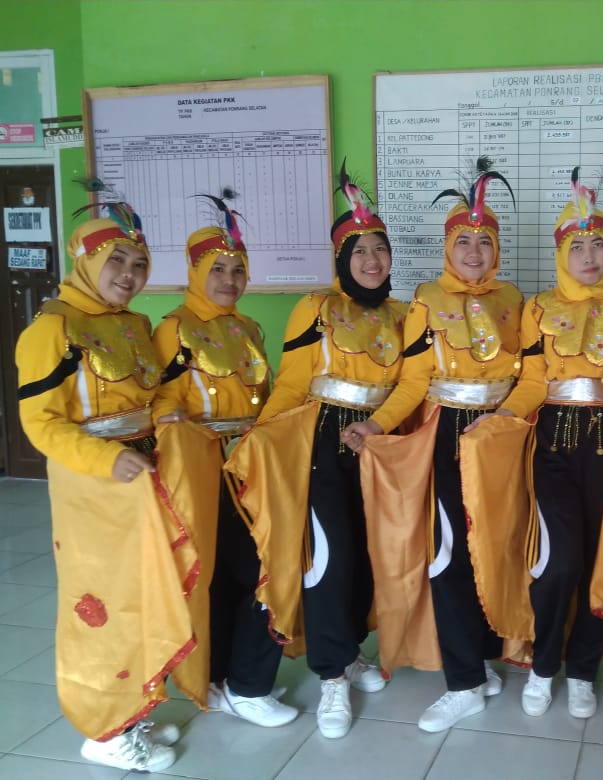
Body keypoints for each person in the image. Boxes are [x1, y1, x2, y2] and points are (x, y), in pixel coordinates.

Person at [344, 158, 524, 733]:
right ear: (448, 247)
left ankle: (482, 657)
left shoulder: (514, 299)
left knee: (494, 547)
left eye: (484, 240)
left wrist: (507, 421)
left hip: (500, 439)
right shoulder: (425, 300)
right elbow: (414, 380)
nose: (474, 251)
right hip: (447, 434)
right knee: (449, 554)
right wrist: (377, 425)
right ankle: (464, 681)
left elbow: (530, 377)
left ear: (497, 248)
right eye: (463, 240)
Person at [16, 200, 195, 772]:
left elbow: (154, 393)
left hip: (141, 475)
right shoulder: (51, 330)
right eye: (116, 259)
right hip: (93, 485)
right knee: (101, 604)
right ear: (86, 260)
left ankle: (132, 712)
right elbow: (40, 422)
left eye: (139, 264)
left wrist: (165, 415)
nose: (129, 274)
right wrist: (104, 457)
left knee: (142, 596)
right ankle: (101, 731)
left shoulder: (135, 326)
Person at [226, 165, 399, 739]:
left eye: (380, 249)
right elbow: (293, 384)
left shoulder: (403, 317)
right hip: (321, 441)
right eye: (359, 251)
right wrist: (261, 438)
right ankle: (331, 677)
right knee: (329, 558)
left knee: (368, 557)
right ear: (342, 258)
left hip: (377, 444)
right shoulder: (315, 308)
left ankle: (349, 648)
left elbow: (411, 386)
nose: (371, 260)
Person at [472, 158, 603, 720]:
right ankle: (544, 665)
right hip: (553, 446)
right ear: (561, 254)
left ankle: (584, 669)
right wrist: (499, 419)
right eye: (577, 248)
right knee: (559, 560)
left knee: (600, 560)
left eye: (598, 247)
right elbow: (532, 381)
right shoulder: (540, 308)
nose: (589, 258)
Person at [150, 192, 298, 728]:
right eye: (218, 269)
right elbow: (157, 397)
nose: (230, 280)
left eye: (238, 270)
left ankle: (239, 680)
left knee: (254, 571)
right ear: (195, 270)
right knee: (234, 574)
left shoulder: (249, 329)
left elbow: (266, 396)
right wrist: (169, 418)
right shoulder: (173, 329)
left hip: (250, 467)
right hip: (200, 468)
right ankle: (236, 684)